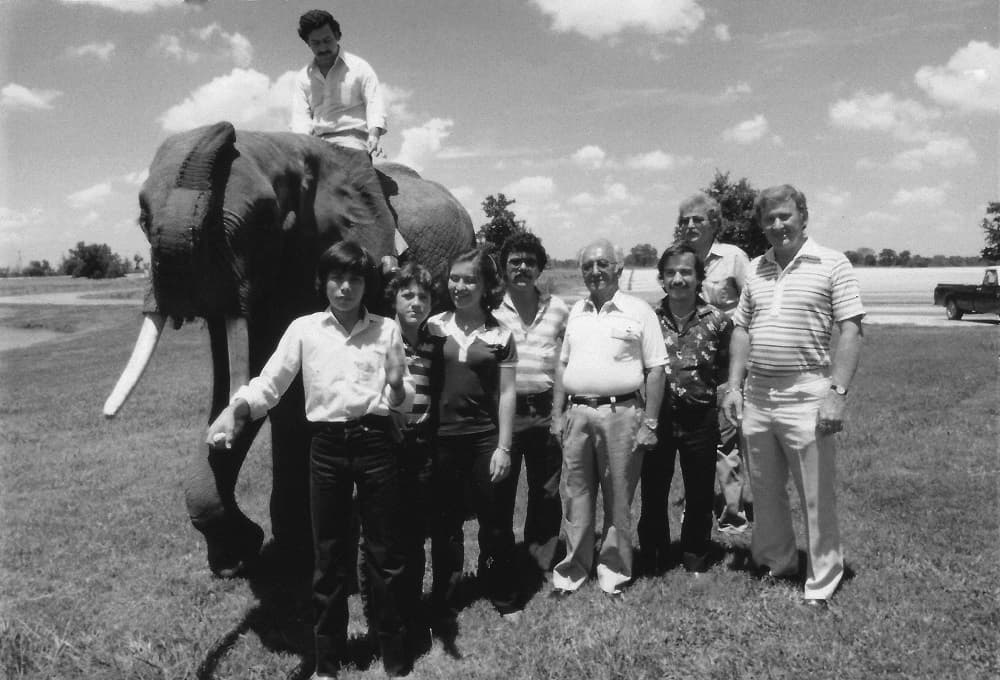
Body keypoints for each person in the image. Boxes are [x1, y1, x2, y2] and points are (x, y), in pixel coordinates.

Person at [205, 241, 413, 678]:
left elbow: (403, 402)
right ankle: (328, 662)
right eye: (337, 278)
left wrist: (396, 387)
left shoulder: (387, 330)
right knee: (329, 556)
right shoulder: (304, 329)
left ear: (365, 285)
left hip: (376, 444)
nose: (345, 287)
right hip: (327, 448)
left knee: (385, 553)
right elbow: (269, 384)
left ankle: (394, 656)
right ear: (323, 282)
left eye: (355, 279)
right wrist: (234, 410)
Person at [721, 185, 864, 608]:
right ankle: (774, 561)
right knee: (764, 488)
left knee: (815, 492)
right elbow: (742, 330)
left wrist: (836, 393)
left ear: (803, 216)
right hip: (759, 394)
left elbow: (852, 330)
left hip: (807, 392)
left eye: (785, 216)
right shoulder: (757, 271)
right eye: (769, 219)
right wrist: (733, 386)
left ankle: (824, 574)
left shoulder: (833, 263)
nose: (778, 225)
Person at [550, 239, 667, 598]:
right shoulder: (578, 311)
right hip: (578, 413)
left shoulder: (639, 310)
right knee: (575, 494)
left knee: (618, 495)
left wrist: (649, 423)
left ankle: (613, 570)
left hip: (622, 414)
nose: (595, 272)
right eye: (588, 266)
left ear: (618, 267)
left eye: (603, 264)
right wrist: (557, 413)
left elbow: (657, 370)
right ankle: (572, 570)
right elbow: (563, 363)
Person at [425, 248, 522, 641]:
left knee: (496, 523)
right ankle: (445, 598)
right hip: (441, 440)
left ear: (486, 287)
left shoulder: (501, 334)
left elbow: (507, 394)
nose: (460, 286)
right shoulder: (432, 327)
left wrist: (504, 446)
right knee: (444, 524)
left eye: (470, 280)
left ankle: (503, 592)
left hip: (484, 439)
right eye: (455, 278)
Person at [637, 243, 731, 575]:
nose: (678, 279)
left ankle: (695, 557)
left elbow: (725, 371)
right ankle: (653, 555)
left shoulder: (718, 321)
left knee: (700, 492)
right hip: (656, 418)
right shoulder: (646, 318)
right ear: (662, 279)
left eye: (686, 272)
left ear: (699, 277)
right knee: (653, 491)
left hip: (700, 419)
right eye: (671, 273)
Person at [290, 9, 401, 270]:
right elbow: (300, 118)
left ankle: (388, 256)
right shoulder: (302, 78)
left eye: (327, 40)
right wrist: (301, 149)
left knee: (367, 191)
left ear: (338, 36)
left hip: (353, 140)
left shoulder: (360, 68)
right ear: (308, 44)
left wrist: (374, 134)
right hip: (316, 144)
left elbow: (375, 104)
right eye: (316, 43)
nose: (323, 47)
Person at [492, 232, 569, 572]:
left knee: (547, 491)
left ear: (540, 268)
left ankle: (541, 560)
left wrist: (558, 412)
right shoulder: (490, 310)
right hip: (502, 415)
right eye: (515, 262)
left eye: (530, 262)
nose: (522, 268)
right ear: (503, 268)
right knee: (500, 491)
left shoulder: (558, 309)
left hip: (544, 411)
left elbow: (564, 363)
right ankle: (500, 559)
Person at [677, 192, 753, 534]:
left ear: (714, 224)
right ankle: (695, 508)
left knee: (726, 439)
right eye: (685, 220)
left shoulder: (734, 257)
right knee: (693, 441)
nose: (690, 225)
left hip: (725, 366)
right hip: (691, 367)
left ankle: (732, 517)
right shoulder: (681, 259)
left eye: (698, 219)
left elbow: (753, 304)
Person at [385, 262, 442, 654]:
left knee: (415, 533)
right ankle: (384, 614)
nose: (416, 302)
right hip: (385, 445)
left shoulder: (433, 342)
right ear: (393, 297)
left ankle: (412, 608)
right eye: (407, 294)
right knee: (382, 536)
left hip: (421, 444)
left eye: (423, 296)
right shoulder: (378, 337)